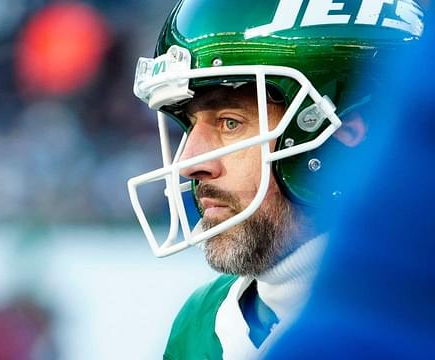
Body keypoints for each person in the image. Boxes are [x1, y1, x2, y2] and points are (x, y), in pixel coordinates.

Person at [126, 1, 425, 359]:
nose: (189, 163)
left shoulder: (412, 320)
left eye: (230, 122)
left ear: (345, 133)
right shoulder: (200, 324)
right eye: (190, 126)